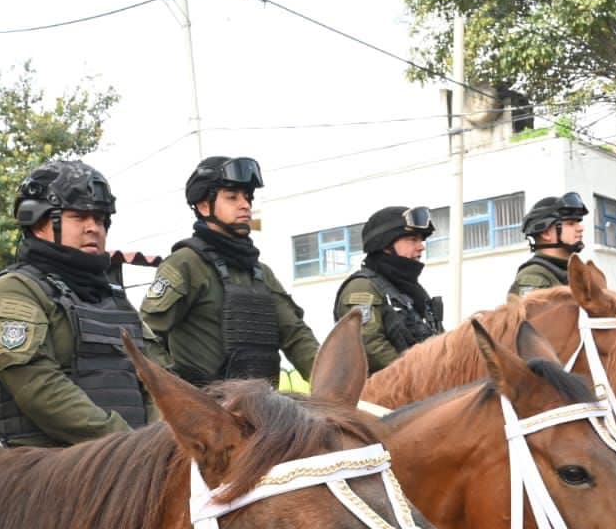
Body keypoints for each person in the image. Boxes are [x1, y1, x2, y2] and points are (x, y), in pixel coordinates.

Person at [0, 160, 151, 447]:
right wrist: (127, 445)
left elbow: (158, 379)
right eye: (79, 217)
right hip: (43, 474)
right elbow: (40, 388)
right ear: (40, 223)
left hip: (132, 469)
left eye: (100, 218)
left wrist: (162, 441)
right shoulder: (15, 291)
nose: (94, 228)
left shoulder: (114, 299)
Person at [140, 156, 320, 384]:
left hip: (265, 412)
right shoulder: (186, 263)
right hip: (206, 412)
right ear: (204, 206)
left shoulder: (261, 273)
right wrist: (178, 392)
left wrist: (334, 382)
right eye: (232, 197)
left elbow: (297, 337)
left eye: (247, 197)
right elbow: (145, 334)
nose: (245, 205)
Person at [332, 206, 444, 371]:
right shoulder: (362, 287)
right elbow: (370, 345)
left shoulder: (407, 289)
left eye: (421, 240)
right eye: (412, 239)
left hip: (419, 390)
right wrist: (418, 374)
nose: (421, 246)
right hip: (377, 393)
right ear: (385, 244)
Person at [507, 191, 589, 299]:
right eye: (571, 223)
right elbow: (534, 315)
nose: (580, 228)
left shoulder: (571, 273)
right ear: (546, 233)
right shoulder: (534, 277)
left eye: (578, 222)